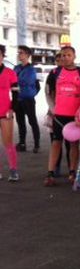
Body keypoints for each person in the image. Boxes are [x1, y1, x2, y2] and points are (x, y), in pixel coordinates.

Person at [45, 46, 80, 186]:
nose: (65, 57)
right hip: (58, 115)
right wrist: (52, 110)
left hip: (75, 117)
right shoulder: (55, 72)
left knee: (74, 144)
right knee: (56, 143)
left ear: (74, 56)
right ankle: (50, 173)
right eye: (62, 55)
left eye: (68, 55)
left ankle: (72, 172)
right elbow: (48, 93)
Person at [14, 45, 41, 153]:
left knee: (32, 121)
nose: (19, 55)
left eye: (21, 53)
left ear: (27, 55)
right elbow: (13, 81)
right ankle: (22, 143)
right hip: (17, 99)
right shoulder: (16, 68)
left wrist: (15, 84)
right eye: (18, 52)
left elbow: (25, 82)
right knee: (20, 123)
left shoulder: (31, 70)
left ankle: (37, 144)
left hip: (28, 99)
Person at [0, 44, 20, 181]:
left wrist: (12, 108)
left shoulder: (10, 73)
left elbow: (16, 94)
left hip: (5, 110)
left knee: (8, 142)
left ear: (2, 56)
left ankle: (13, 170)